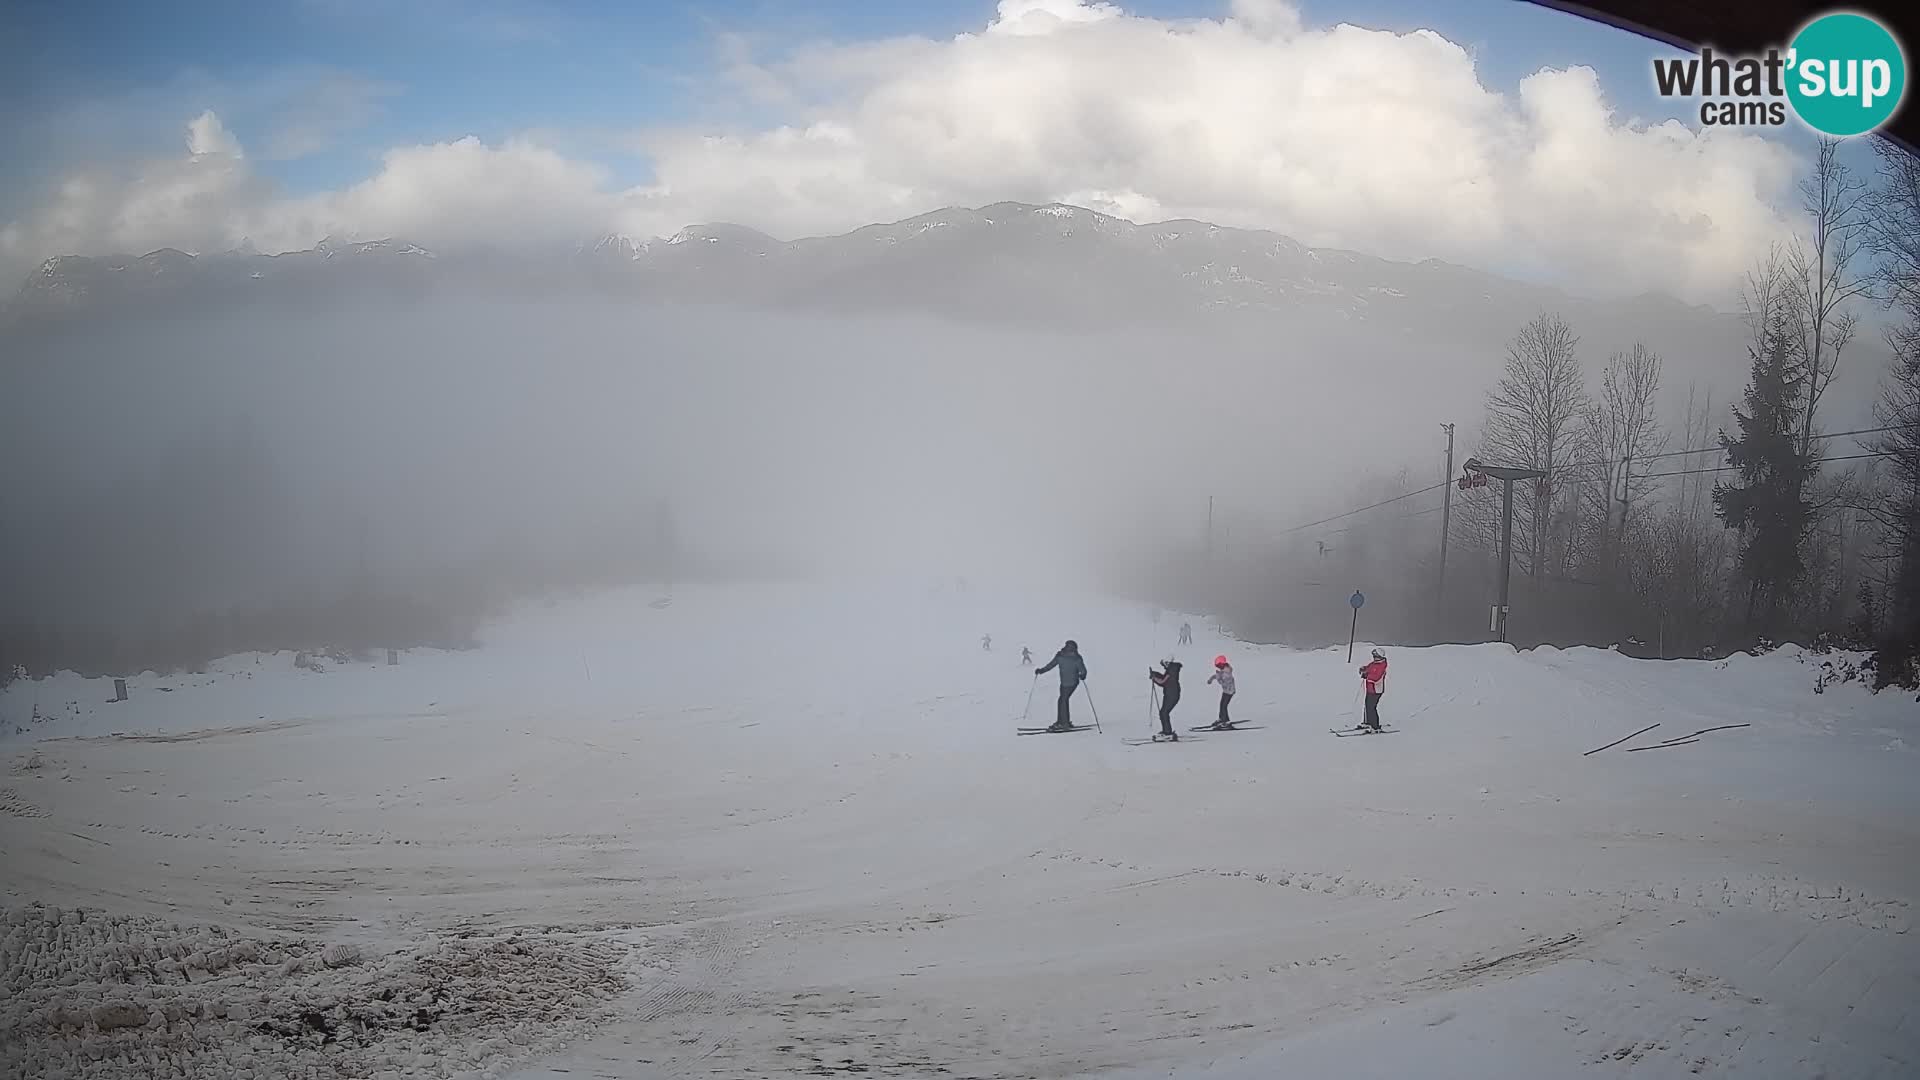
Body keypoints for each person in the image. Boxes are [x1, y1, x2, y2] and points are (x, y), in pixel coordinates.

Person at [1035, 640, 1088, 732]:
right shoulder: (1064, 656)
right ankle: (1063, 722)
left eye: (1071, 647)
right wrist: (1041, 670)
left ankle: (1063, 723)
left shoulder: (1073, 658)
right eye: (1069, 647)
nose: (1070, 649)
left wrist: (1083, 675)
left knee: (1062, 700)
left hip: (1071, 683)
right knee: (1062, 701)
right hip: (1064, 683)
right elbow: (1051, 665)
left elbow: (1083, 670)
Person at [1148, 658, 1183, 740]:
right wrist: (1155, 674)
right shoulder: (1172, 670)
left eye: (1164, 664)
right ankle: (1167, 731)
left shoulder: (1171, 671)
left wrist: (1154, 678)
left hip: (1171, 696)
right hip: (1170, 695)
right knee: (1164, 713)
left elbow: (1163, 682)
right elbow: (1164, 678)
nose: (1164, 667)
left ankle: (1167, 732)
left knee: (1164, 713)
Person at [1357, 648, 1388, 731]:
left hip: (1376, 690)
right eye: (1374, 656)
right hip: (1370, 690)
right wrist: (1363, 669)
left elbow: (1376, 678)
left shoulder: (1382, 666)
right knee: (1367, 706)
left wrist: (1367, 676)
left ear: (1380, 657)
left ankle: (1375, 726)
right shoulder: (1374, 664)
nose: (1374, 658)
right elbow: (1368, 668)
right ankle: (1367, 722)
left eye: (1376, 656)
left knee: (1371, 707)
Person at [1207, 655, 1236, 730]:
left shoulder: (1227, 673)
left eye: (1219, 666)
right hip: (1226, 691)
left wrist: (1218, 678)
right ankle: (1221, 718)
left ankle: (1226, 721)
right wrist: (1211, 679)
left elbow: (1223, 683)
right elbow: (1217, 675)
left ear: (1222, 664)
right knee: (1222, 705)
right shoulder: (1224, 671)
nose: (1218, 668)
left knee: (1224, 706)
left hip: (1229, 692)